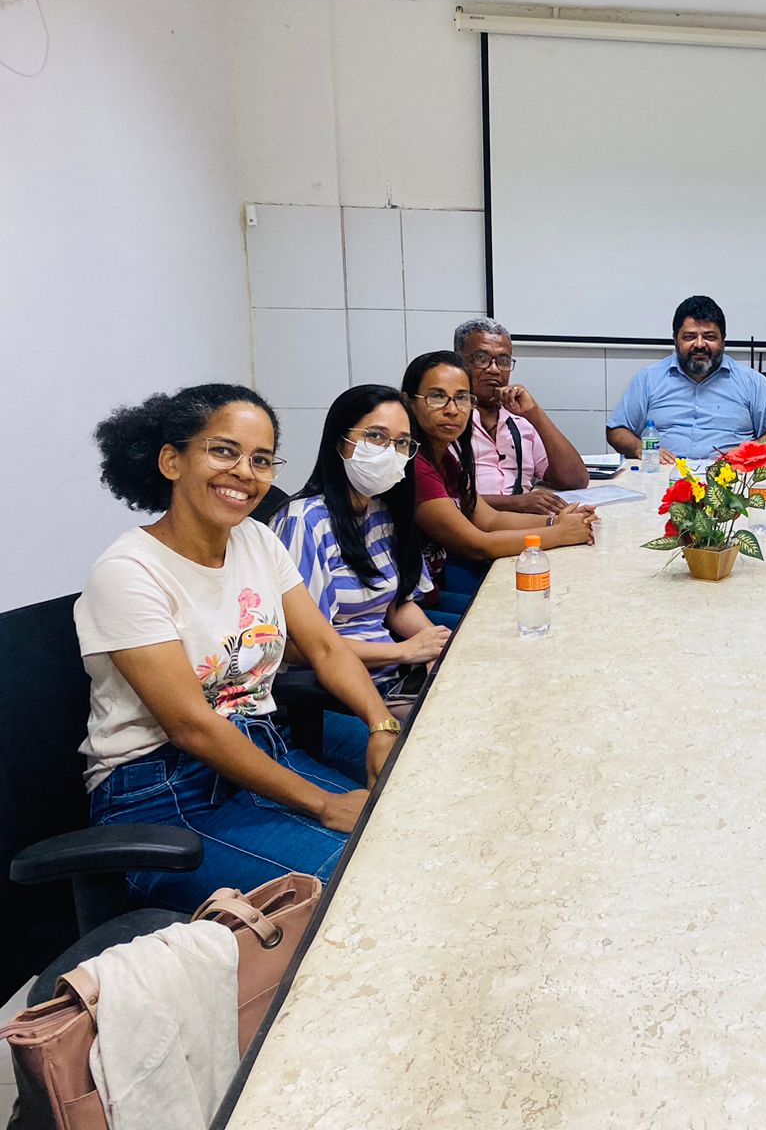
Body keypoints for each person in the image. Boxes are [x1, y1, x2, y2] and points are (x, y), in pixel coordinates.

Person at [75, 384, 399, 910]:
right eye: (224, 451)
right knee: (357, 888)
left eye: (262, 459)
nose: (246, 472)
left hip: (260, 752)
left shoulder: (257, 539)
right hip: (162, 796)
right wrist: (322, 804)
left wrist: (379, 724)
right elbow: (192, 726)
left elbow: (324, 647)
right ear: (171, 461)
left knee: (402, 834)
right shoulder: (129, 572)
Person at [271, 384, 450, 783]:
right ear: (340, 443)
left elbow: (396, 603)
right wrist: (404, 652)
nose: (390, 452)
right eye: (376, 437)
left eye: (402, 443)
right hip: (336, 697)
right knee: (442, 758)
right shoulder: (305, 521)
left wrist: (433, 644)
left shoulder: (381, 511)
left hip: (393, 676)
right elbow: (299, 646)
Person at [406, 350, 597, 609]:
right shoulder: (415, 465)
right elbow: (478, 544)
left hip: (431, 589)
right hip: (411, 601)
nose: (452, 410)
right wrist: (559, 533)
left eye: (461, 398)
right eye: (438, 397)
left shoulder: (447, 457)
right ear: (409, 403)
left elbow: (490, 519)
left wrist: (558, 520)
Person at [606, 295, 766, 462]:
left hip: (732, 481)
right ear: (675, 339)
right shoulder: (648, 378)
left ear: (723, 340)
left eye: (709, 337)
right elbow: (616, 431)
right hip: (662, 477)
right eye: (689, 337)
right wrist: (641, 448)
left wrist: (747, 453)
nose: (700, 344)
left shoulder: (752, 382)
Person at [453, 317, 589, 517]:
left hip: (525, 527)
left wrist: (535, 413)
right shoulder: (448, 418)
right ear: (459, 361)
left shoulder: (520, 419)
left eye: (503, 361)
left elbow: (575, 480)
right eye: (482, 358)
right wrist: (516, 503)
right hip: (469, 530)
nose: (494, 369)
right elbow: (444, 497)